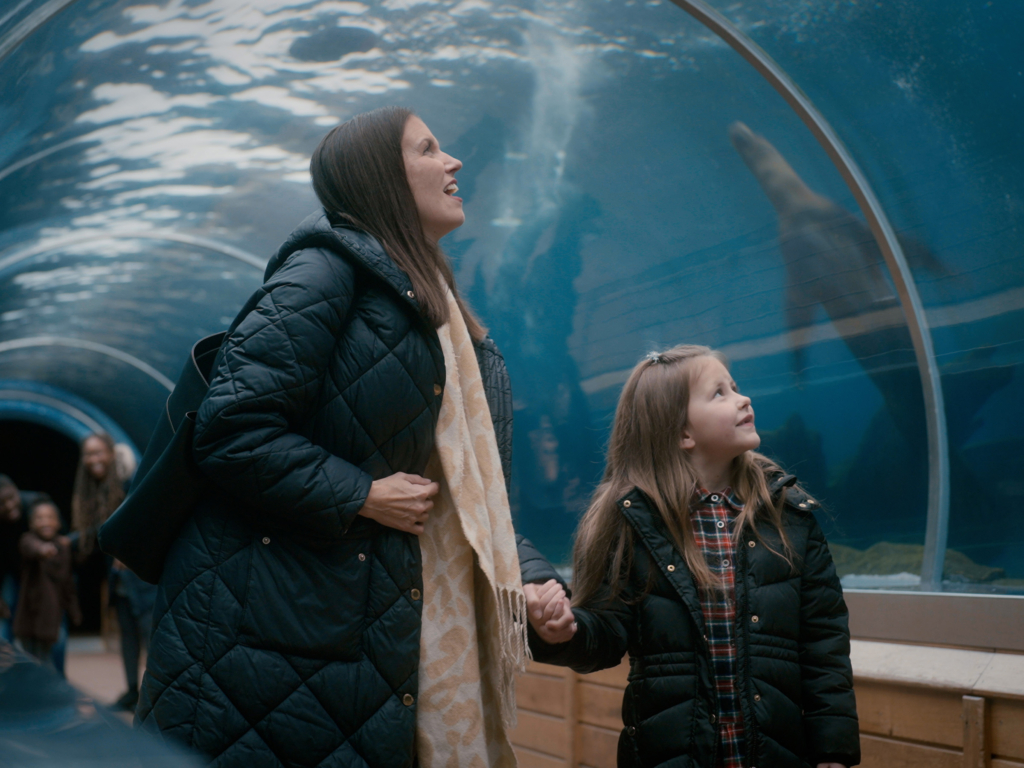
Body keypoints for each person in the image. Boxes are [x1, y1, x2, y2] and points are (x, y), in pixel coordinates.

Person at [135, 106, 563, 767]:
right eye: (429, 150)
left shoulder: (434, 307)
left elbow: (462, 487)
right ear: (380, 178)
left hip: (356, 627)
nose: (453, 164)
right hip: (276, 633)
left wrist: (531, 577)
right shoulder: (323, 273)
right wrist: (360, 493)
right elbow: (231, 428)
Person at [525, 345, 860, 768]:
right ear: (682, 433)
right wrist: (563, 633)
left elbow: (824, 644)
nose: (743, 399)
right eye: (719, 393)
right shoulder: (630, 523)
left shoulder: (790, 516)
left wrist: (834, 749)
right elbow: (606, 633)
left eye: (735, 387)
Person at [73, 432, 154, 711]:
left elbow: (146, 522)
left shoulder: (129, 483)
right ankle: (132, 691)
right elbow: (97, 534)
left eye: (98, 452)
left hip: (140, 577)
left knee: (152, 638)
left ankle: (156, 695)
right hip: (119, 579)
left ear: (111, 453)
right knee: (128, 638)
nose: (94, 459)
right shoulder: (97, 491)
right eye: (89, 454)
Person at [14, 496, 82, 666]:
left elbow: (67, 584)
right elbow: (29, 546)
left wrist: (74, 611)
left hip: (51, 619)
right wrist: (42, 550)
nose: (45, 522)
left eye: (50, 517)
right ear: (31, 523)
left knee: (49, 662)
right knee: (31, 662)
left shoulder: (63, 549)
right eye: (40, 518)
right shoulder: (28, 540)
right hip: (29, 617)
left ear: (58, 523)